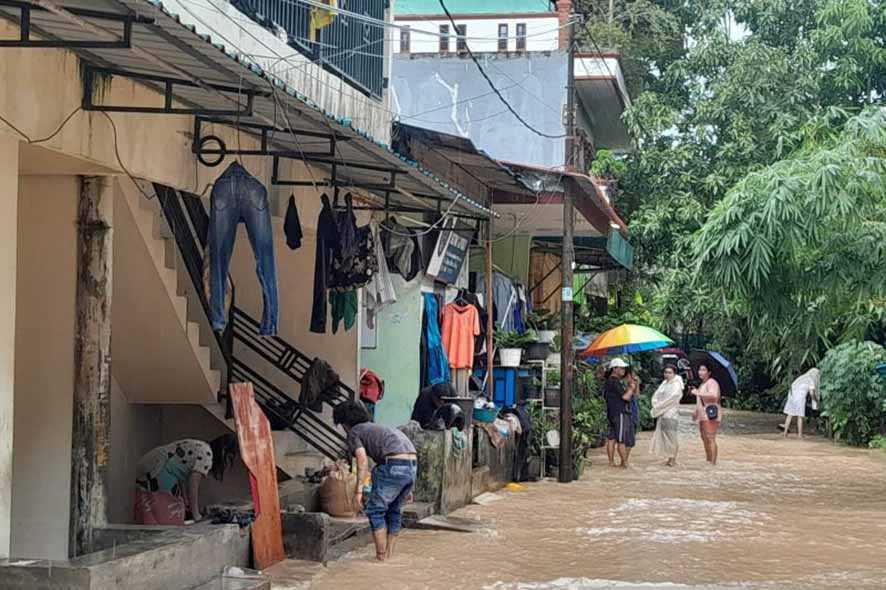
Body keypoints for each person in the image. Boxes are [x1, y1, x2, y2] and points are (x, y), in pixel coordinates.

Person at [333, 401, 417, 562]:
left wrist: (358, 491)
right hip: (411, 465)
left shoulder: (355, 432)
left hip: (393, 464)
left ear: (344, 423)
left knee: (374, 511)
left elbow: (362, 460)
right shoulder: (376, 428)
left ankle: (380, 558)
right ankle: (389, 554)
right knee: (394, 510)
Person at [134, 434, 239, 525]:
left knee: (150, 506)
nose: (227, 463)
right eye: (229, 458)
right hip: (159, 467)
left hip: (151, 462)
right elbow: (193, 486)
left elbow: (182, 473)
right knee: (171, 511)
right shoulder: (207, 456)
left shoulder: (202, 446)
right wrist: (196, 514)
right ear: (224, 451)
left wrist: (185, 499)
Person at [603, 358, 639, 468]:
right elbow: (626, 397)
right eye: (621, 368)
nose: (623, 370)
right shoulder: (615, 382)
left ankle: (611, 462)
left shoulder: (609, 381)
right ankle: (625, 464)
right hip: (620, 414)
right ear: (614, 369)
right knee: (621, 440)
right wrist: (632, 388)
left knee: (612, 438)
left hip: (612, 413)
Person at [650, 364, 684, 466]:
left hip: (671, 414)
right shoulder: (664, 384)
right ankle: (670, 458)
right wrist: (657, 405)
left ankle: (673, 459)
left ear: (674, 374)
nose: (667, 374)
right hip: (662, 413)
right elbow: (655, 396)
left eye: (670, 372)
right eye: (666, 372)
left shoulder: (677, 385)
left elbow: (672, 399)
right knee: (666, 437)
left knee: (671, 437)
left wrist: (659, 406)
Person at [691, 363, 722, 465]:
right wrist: (695, 412)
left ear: (709, 372)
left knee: (710, 437)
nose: (701, 372)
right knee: (704, 438)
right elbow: (700, 401)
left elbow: (714, 396)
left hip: (711, 414)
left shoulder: (712, 382)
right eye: (700, 369)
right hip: (702, 415)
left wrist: (698, 393)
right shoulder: (702, 385)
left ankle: (713, 463)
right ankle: (708, 460)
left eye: (704, 370)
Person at [782, 368, 820, 439]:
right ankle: (800, 435)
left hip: (791, 396)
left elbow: (792, 386)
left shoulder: (801, 377)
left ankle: (785, 433)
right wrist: (816, 400)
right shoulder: (811, 380)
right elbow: (812, 394)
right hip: (800, 397)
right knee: (800, 416)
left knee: (790, 415)